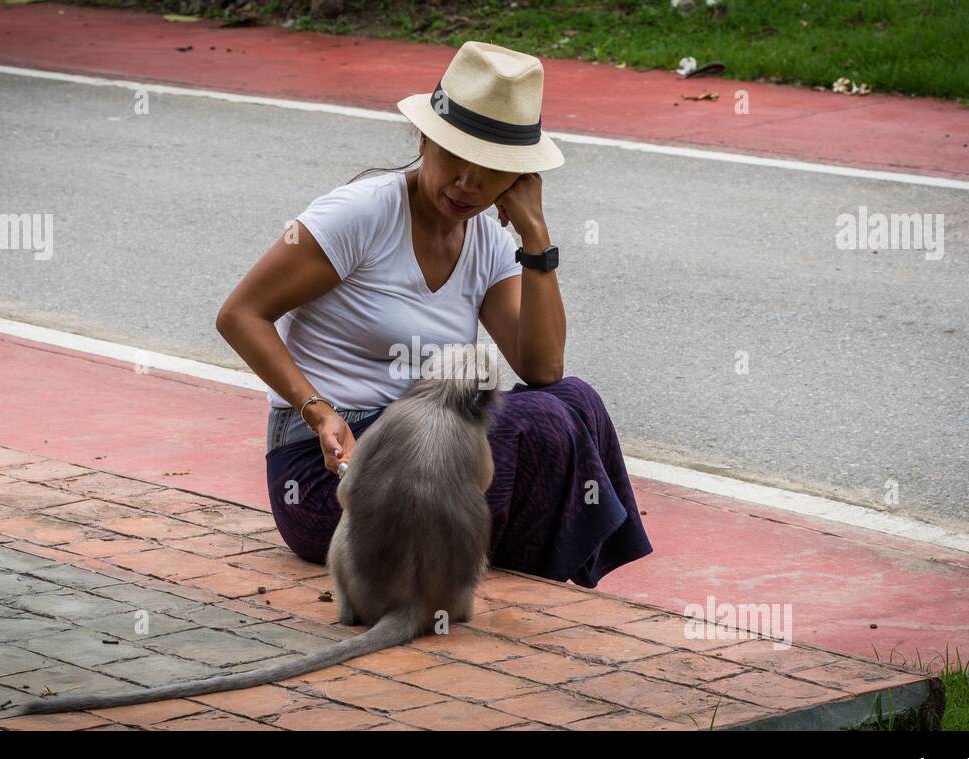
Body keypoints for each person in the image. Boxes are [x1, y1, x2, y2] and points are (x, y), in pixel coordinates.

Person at [216, 41, 652, 587]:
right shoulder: (360, 214)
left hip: (428, 447)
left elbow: (542, 369)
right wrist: (319, 412)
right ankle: (534, 574)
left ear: (517, 177)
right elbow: (240, 315)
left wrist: (536, 239)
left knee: (575, 400)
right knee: (534, 425)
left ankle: (535, 576)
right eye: (454, 158)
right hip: (334, 476)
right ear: (425, 139)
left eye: (491, 169)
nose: (467, 184)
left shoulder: (489, 240)